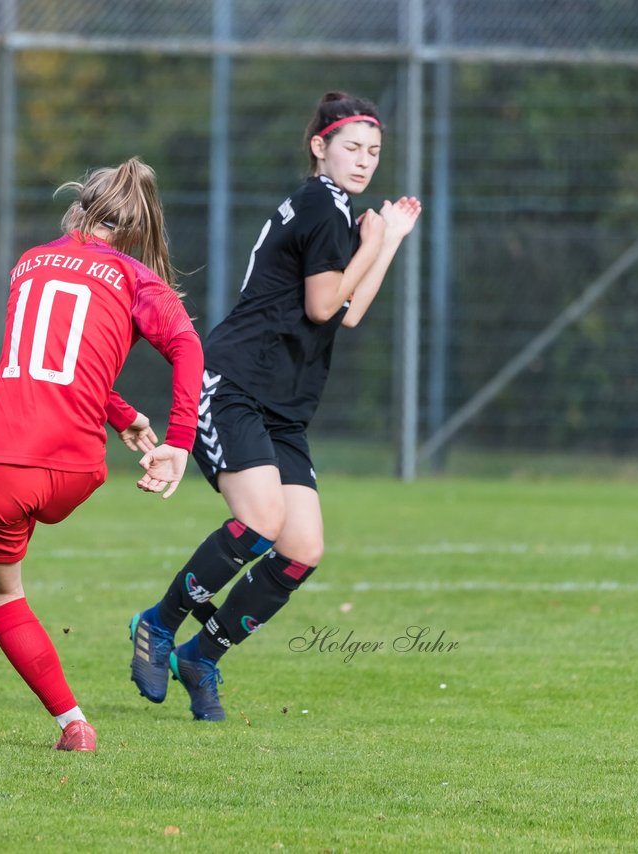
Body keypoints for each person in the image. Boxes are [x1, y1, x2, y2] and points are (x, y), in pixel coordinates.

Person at [128, 91, 422, 721]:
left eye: (374, 151)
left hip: (284, 407)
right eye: (352, 148)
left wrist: (387, 239)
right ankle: (157, 624)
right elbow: (322, 306)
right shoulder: (322, 202)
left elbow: (349, 311)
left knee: (302, 548)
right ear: (320, 147)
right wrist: (375, 240)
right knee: (261, 521)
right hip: (236, 383)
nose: (365, 160)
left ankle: (199, 656)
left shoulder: (340, 213)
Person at [0, 157, 203, 753]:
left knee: (7, 593)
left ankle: (74, 725)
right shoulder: (135, 277)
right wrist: (171, 439)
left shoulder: (29, 262)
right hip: (76, 470)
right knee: (4, 536)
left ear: (78, 207)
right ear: (137, 229)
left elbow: (42, 364)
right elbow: (187, 347)